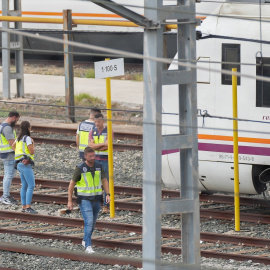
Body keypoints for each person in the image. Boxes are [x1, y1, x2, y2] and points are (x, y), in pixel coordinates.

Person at [68, 146, 110, 254]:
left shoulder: (99, 166)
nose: (93, 157)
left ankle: (85, 240)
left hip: (97, 200)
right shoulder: (80, 168)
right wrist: (69, 200)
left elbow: (104, 180)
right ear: (85, 156)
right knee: (89, 222)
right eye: (90, 156)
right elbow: (71, 184)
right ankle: (88, 246)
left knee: (93, 223)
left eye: (94, 155)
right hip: (84, 200)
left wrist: (108, 194)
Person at [88, 113, 112, 213]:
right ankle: (97, 204)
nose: (97, 123)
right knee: (95, 182)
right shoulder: (92, 131)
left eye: (99, 121)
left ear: (103, 121)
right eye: (95, 121)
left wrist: (95, 145)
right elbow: (90, 145)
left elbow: (108, 146)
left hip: (105, 160)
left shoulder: (108, 131)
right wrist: (102, 144)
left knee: (105, 182)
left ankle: (106, 205)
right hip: (95, 160)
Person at [13, 121, 37, 214]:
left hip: (19, 163)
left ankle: (24, 206)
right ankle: (28, 207)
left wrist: (19, 155)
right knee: (31, 185)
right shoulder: (27, 138)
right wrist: (33, 144)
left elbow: (13, 146)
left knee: (24, 185)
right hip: (25, 163)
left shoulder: (18, 138)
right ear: (28, 128)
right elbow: (31, 152)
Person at [0, 111, 20, 205]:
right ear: (13, 117)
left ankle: (6, 195)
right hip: (9, 154)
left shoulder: (3, 125)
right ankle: (5, 196)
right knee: (9, 175)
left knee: (8, 175)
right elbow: (12, 143)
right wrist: (21, 152)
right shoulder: (7, 128)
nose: (16, 122)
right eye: (16, 120)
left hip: (6, 154)